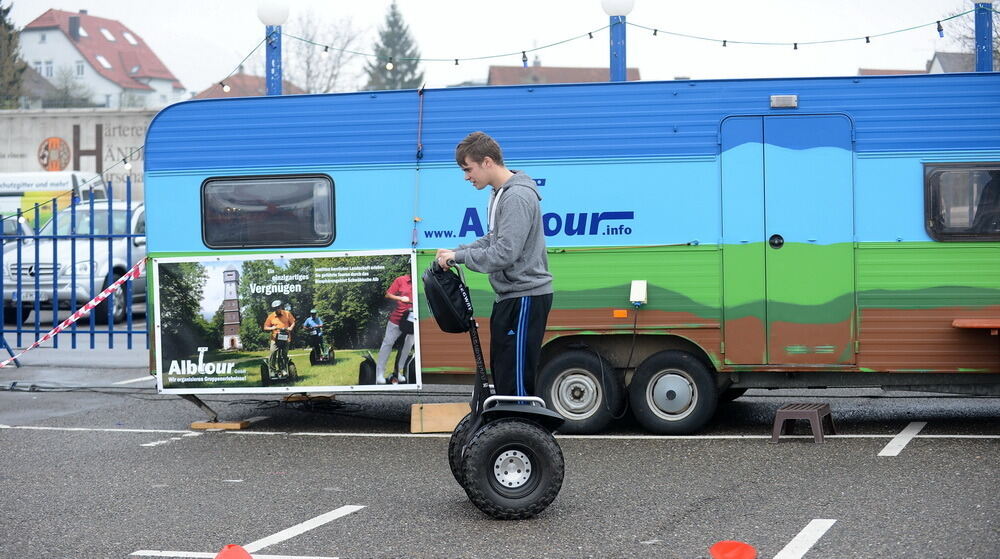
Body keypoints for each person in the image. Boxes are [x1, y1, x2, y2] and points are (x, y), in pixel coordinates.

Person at [436, 131, 553, 398]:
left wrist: (460, 258)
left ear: (487, 161)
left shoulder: (517, 197)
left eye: (468, 169)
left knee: (516, 382)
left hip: (525, 297)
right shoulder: (499, 193)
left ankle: (522, 436)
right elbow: (493, 238)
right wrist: (457, 251)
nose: (466, 176)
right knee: (503, 373)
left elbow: (504, 253)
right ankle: (508, 435)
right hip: (510, 296)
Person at [375, 273, 415, 384]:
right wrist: (401, 298)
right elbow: (388, 295)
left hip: (412, 321)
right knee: (387, 344)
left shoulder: (422, 280)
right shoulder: (401, 280)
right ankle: (379, 374)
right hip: (397, 319)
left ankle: (398, 372)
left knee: (407, 346)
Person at [263, 299, 296, 368]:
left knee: (284, 354)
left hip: (286, 337)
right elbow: (265, 327)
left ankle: (284, 368)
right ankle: (272, 368)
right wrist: (272, 328)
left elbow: (293, 322)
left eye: (278, 307)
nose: (277, 309)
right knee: (273, 352)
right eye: (275, 308)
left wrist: (290, 328)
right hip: (275, 338)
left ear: (281, 307)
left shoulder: (287, 314)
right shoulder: (271, 316)